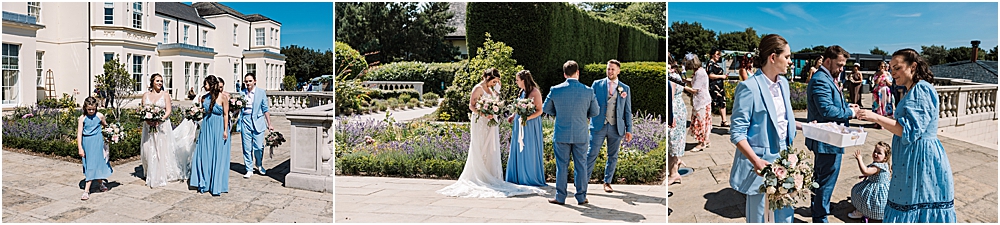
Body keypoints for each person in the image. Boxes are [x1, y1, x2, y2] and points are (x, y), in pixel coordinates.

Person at [857, 49, 956, 222]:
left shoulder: (921, 89)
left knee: (913, 209)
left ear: (913, 66)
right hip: (912, 158)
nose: (892, 72)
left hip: (920, 160)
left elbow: (908, 130)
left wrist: (875, 117)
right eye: (890, 68)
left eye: (897, 67)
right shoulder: (913, 90)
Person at [437, 68, 546, 198]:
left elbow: (497, 103)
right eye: (494, 81)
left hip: (491, 123)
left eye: (497, 82)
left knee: (491, 149)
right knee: (480, 147)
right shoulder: (478, 88)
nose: (495, 84)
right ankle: (480, 175)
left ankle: (490, 174)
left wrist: (496, 103)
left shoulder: (494, 90)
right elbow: (471, 106)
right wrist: (483, 113)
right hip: (480, 122)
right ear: (488, 78)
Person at [729, 34, 802, 223]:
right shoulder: (749, 87)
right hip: (760, 167)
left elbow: (782, 120)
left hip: (786, 163)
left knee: (785, 216)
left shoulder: (784, 84)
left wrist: (807, 126)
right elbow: (737, 132)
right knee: (759, 218)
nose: (790, 62)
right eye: (787, 57)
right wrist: (756, 161)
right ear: (772, 57)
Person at [806, 45, 861, 223]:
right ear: (828, 61)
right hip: (827, 140)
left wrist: (847, 107)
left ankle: (817, 207)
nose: (842, 69)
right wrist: (851, 113)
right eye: (839, 65)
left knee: (820, 177)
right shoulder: (821, 79)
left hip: (827, 139)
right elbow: (827, 111)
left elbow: (832, 105)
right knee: (826, 180)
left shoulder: (827, 77)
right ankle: (820, 216)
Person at [541, 61, 600, 205]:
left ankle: (560, 197)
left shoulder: (555, 90)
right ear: (578, 72)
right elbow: (595, 112)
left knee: (561, 166)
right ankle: (581, 197)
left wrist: (559, 113)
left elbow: (545, 108)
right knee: (581, 165)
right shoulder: (588, 91)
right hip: (580, 133)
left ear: (564, 74)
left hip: (561, 133)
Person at [587, 59, 634, 193]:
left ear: (618, 71)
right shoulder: (597, 84)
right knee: (591, 153)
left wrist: (629, 129)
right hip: (598, 125)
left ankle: (607, 182)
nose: (610, 71)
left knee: (612, 156)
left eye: (613, 69)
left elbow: (627, 110)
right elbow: (589, 103)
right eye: (608, 68)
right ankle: (583, 182)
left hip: (616, 127)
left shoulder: (625, 88)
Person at [189, 75, 231, 196]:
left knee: (217, 155)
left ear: (212, 85)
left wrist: (225, 130)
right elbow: (202, 112)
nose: (204, 86)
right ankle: (204, 181)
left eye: (206, 84)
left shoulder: (223, 98)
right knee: (204, 155)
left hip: (218, 128)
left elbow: (225, 115)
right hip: (206, 127)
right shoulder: (203, 98)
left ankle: (215, 184)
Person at [504, 70, 546, 187]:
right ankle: (517, 176)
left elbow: (540, 111)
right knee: (518, 148)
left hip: (530, 125)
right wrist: (513, 115)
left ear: (523, 80)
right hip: (519, 124)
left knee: (529, 149)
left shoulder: (535, 92)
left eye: (517, 80)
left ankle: (529, 177)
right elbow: (519, 107)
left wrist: (528, 118)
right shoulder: (522, 91)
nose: (516, 82)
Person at [140, 73, 183, 188]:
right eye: (157, 81)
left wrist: (160, 119)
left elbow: (168, 110)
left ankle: (163, 172)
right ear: (152, 82)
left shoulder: (165, 95)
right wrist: (147, 119)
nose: (160, 83)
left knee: (161, 149)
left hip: (162, 126)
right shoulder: (145, 95)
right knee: (148, 148)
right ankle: (151, 170)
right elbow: (142, 110)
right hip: (148, 126)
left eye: (161, 81)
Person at [239, 73, 274, 178]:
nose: (248, 83)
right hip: (245, 121)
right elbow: (239, 109)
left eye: (250, 81)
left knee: (258, 147)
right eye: (246, 81)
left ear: (255, 81)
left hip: (258, 121)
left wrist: (269, 124)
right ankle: (249, 169)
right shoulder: (242, 93)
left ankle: (259, 164)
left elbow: (265, 109)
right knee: (247, 147)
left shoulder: (261, 92)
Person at [77, 97, 112, 200]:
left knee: (97, 163)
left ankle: (94, 186)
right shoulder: (82, 118)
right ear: (85, 108)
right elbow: (79, 134)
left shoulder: (100, 116)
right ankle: (88, 189)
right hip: (87, 143)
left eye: (93, 109)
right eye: (89, 109)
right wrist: (80, 148)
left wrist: (111, 132)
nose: (91, 111)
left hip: (98, 142)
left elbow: (106, 126)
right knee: (90, 165)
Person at [848, 141, 892, 220]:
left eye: (879, 153)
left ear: (885, 157)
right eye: (875, 151)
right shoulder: (885, 164)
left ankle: (861, 211)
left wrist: (859, 159)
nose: (875, 154)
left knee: (860, 195)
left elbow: (865, 171)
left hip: (875, 189)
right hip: (885, 190)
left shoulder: (877, 166)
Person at [668, 59, 691, 185]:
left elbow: (669, 99)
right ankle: (677, 162)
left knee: (671, 142)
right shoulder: (675, 75)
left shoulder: (670, 78)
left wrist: (670, 117)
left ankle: (673, 174)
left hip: (674, 110)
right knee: (676, 140)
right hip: (680, 108)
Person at [686, 53, 711, 151]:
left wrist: (681, 85)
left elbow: (694, 90)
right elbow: (694, 83)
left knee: (700, 122)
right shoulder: (700, 71)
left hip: (701, 102)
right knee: (705, 122)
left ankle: (701, 143)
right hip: (704, 101)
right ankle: (706, 140)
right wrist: (685, 81)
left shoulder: (699, 73)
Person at [706, 48, 729, 127]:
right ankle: (707, 120)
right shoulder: (710, 64)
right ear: (712, 55)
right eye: (717, 54)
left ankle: (724, 120)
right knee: (715, 103)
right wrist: (721, 76)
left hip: (719, 87)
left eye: (719, 55)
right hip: (714, 87)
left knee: (722, 102)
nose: (719, 56)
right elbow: (710, 75)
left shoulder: (715, 64)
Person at [871, 61, 894, 129]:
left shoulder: (888, 74)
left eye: (884, 66)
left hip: (885, 91)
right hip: (878, 91)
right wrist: (880, 76)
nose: (883, 68)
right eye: (881, 66)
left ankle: (884, 122)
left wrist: (887, 81)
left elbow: (890, 84)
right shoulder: (876, 74)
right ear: (879, 67)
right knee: (878, 106)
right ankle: (877, 122)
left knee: (885, 106)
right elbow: (876, 82)